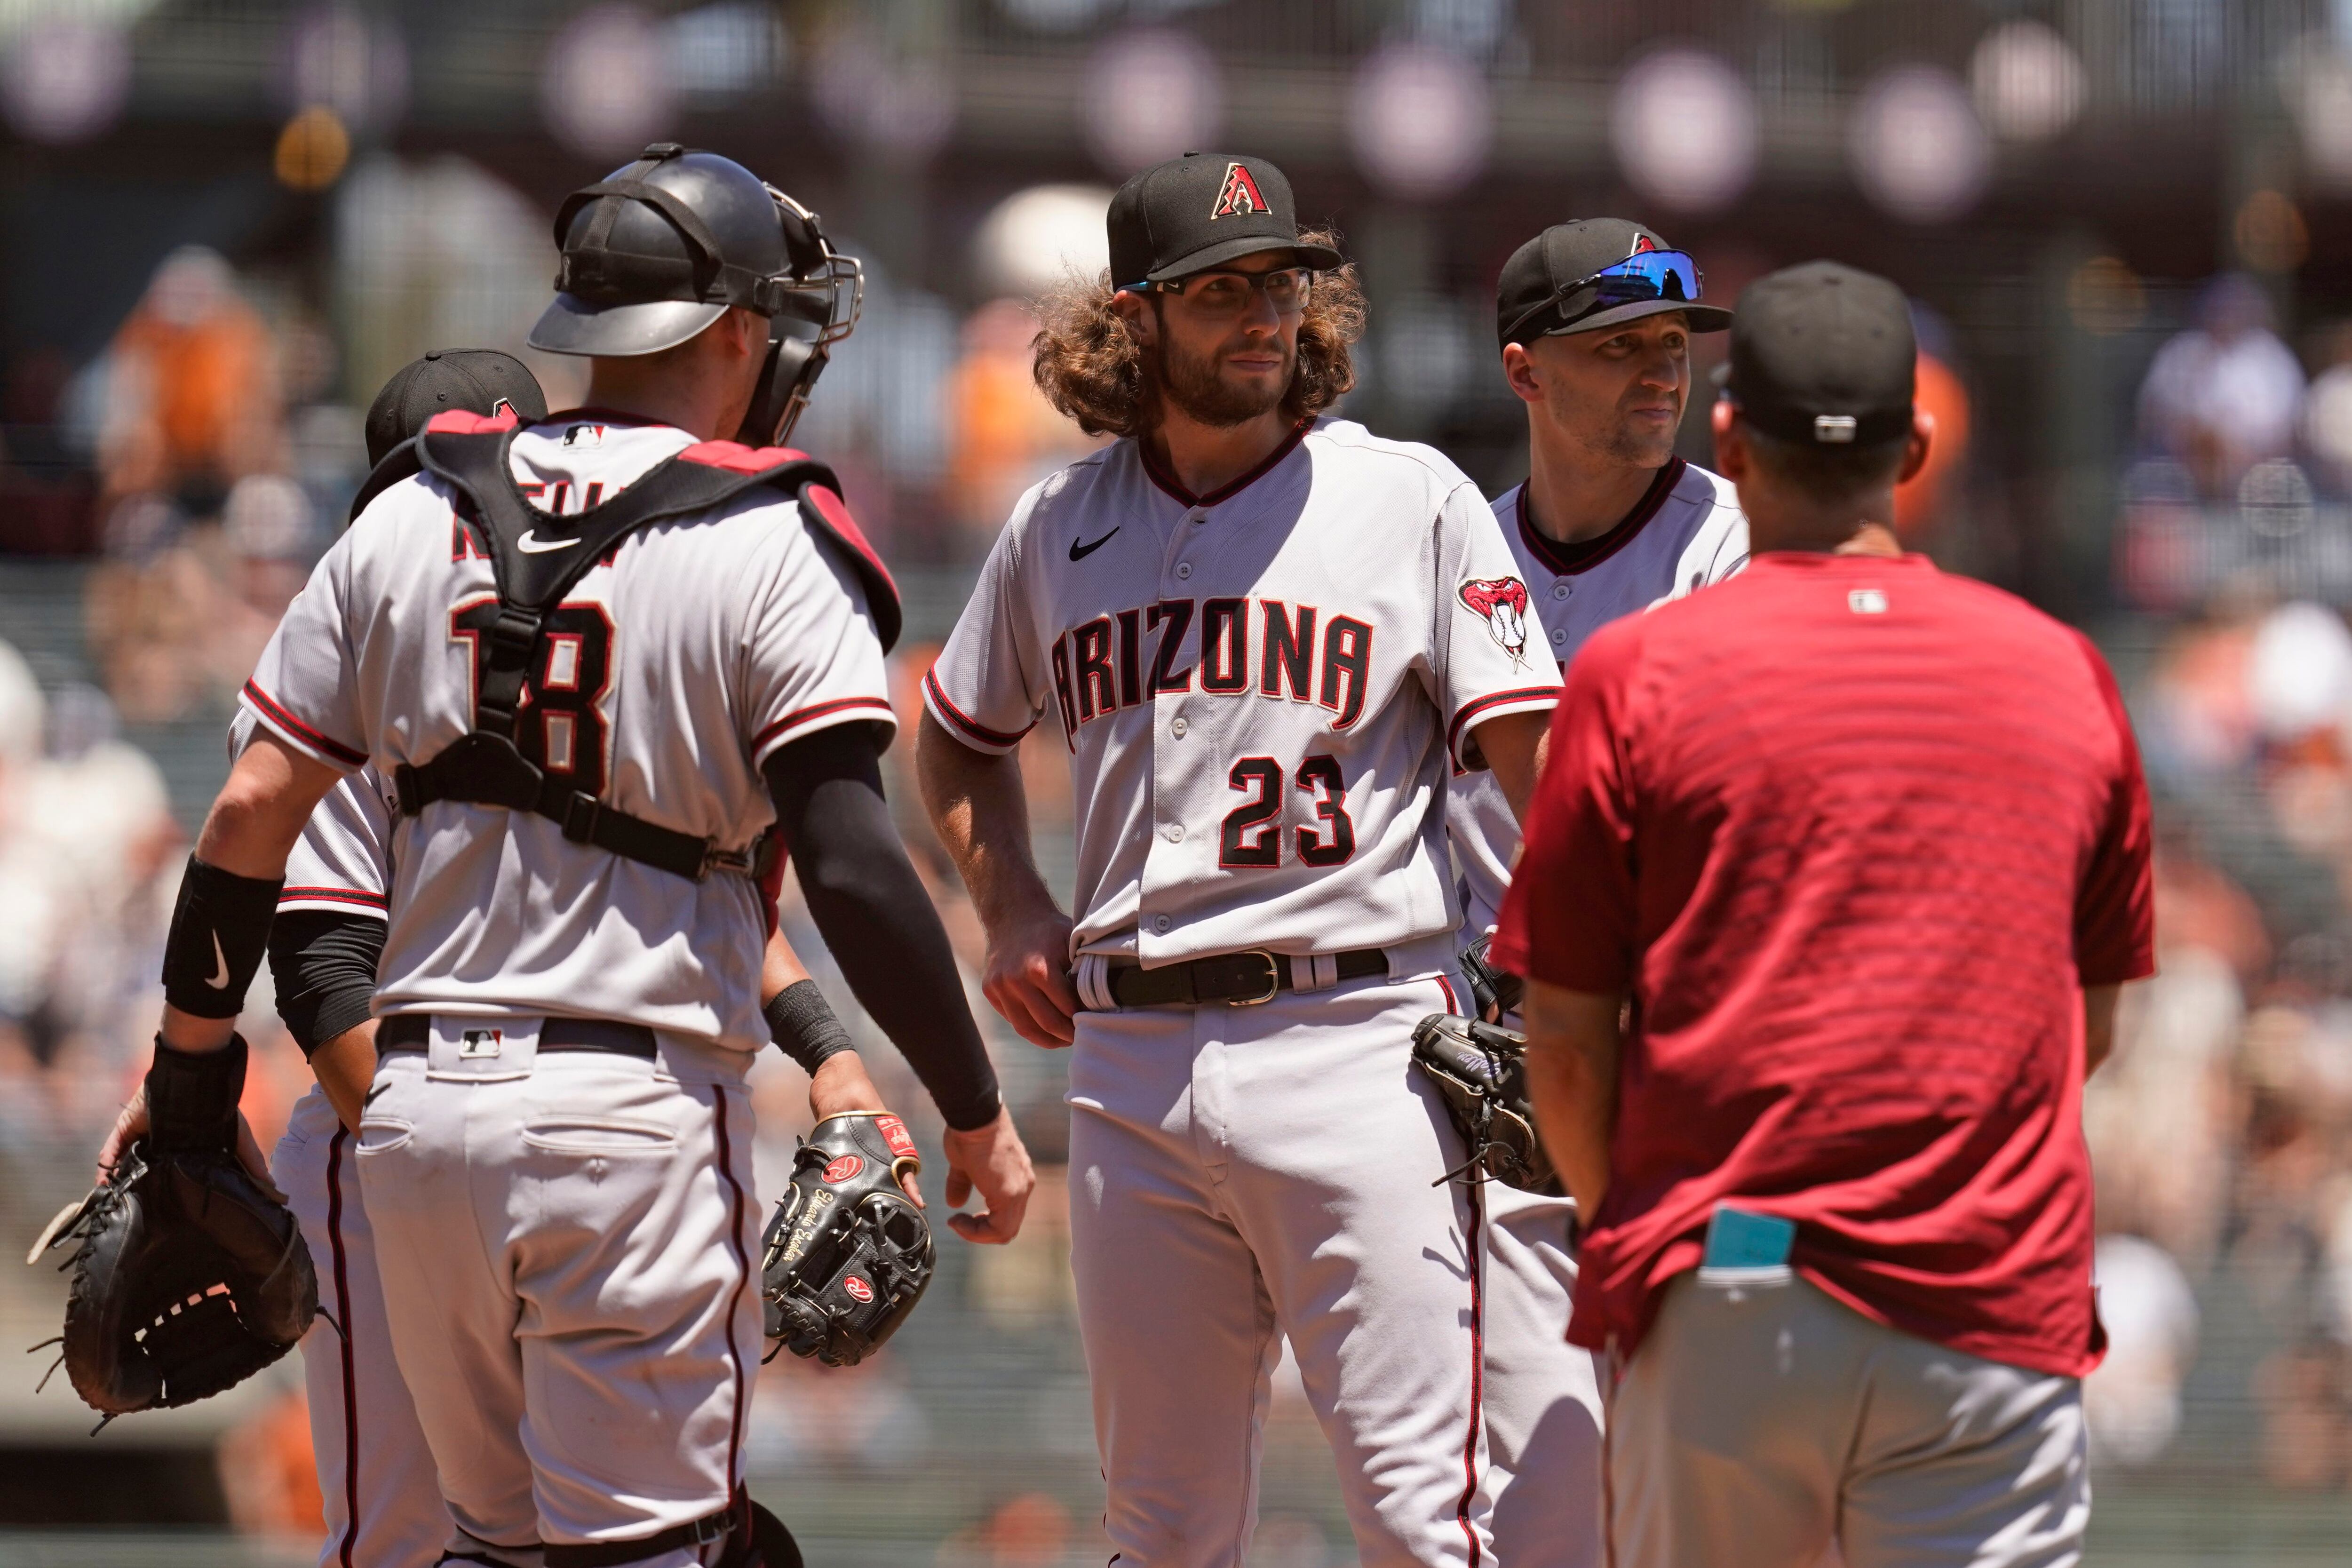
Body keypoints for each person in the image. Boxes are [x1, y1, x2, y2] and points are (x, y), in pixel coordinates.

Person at [98, 146, 1033, 1568]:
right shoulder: (771, 529)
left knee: (490, 1547)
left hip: (417, 1133)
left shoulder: (408, 513)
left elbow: (244, 821)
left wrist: (184, 1091)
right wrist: (973, 1106)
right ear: (728, 335)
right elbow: (848, 859)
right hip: (625, 1121)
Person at [916, 151, 1560, 1568]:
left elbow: (1546, 762)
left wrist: (1560, 985)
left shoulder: (1410, 498)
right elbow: (955, 735)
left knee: (1421, 1515)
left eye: (1281, 282)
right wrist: (1009, 899)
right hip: (1132, 1061)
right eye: (1221, 292)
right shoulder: (1057, 522)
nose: (1263, 315)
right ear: (1136, 318)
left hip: (1360, 1035)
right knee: (1159, 1529)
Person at [227, 348, 937, 1568]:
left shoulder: (555, 630)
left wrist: (828, 1050)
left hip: (528, 1140)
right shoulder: (360, 639)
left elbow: (679, 888)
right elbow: (322, 978)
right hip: (389, 1154)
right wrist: (450, 1154)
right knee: (408, 1544)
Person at [1494, 260, 2155, 1568]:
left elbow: (1564, 1039)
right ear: (1916, 447)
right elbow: (2090, 1030)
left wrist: (1637, 1226)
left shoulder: (1636, 672)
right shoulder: (2063, 669)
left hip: (1734, 1277)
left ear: (1729, 439)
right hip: (1984, 1290)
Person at [1446, 218, 1742, 1568]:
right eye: (1618, 348)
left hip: (1695, 1072)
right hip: (1498, 1087)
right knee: (1544, 1513)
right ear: (1525, 372)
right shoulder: (1453, 549)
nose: (1658, 374)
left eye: (1673, 348)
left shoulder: (1731, 546)